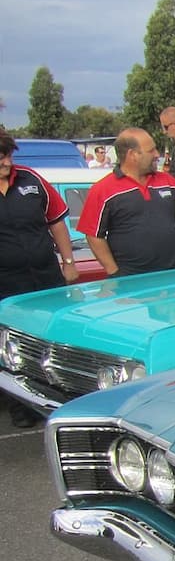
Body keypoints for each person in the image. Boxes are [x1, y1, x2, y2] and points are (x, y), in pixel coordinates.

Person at [0, 130, 80, 426]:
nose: (7, 163)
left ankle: (61, 399)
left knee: (53, 338)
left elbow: (57, 222)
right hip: (7, 285)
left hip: (46, 278)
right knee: (10, 347)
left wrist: (68, 261)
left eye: (9, 155)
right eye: (1, 158)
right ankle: (20, 406)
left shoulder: (31, 180)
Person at [76, 127, 175, 279]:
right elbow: (93, 234)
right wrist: (114, 272)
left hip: (170, 277)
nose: (157, 155)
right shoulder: (103, 190)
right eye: (151, 150)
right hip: (129, 282)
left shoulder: (168, 182)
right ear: (132, 155)